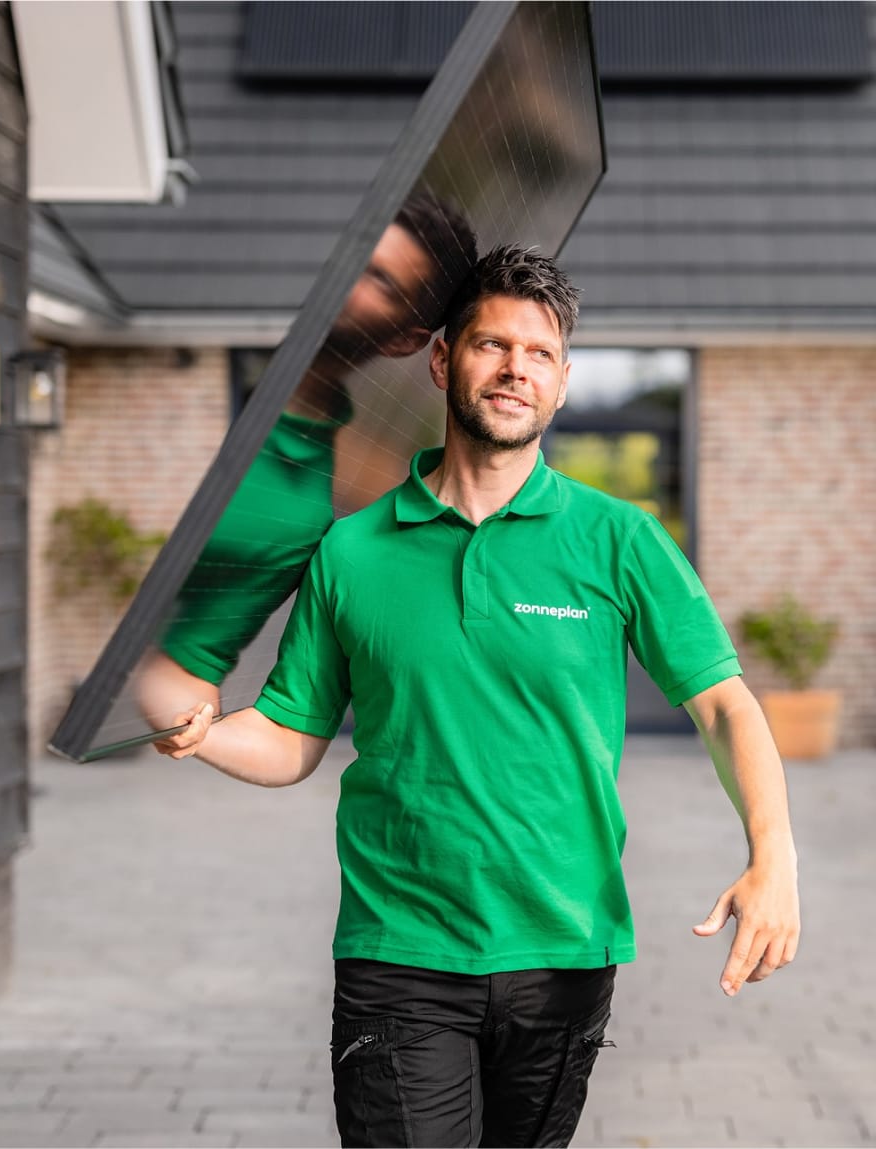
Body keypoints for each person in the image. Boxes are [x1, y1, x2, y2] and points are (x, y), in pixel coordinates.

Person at [155, 245, 800, 1148]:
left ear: (564, 383)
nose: (515, 370)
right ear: (442, 360)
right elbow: (291, 734)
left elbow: (726, 705)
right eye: (493, 346)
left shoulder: (619, 540)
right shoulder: (351, 550)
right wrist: (205, 733)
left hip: (565, 949)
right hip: (399, 951)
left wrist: (774, 857)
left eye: (539, 354)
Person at [137, 192, 477, 730]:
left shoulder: (295, 515)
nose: (344, 279)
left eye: (380, 281)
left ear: (403, 341)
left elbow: (184, 663)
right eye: (351, 253)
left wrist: (188, 726)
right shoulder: (177, 341)